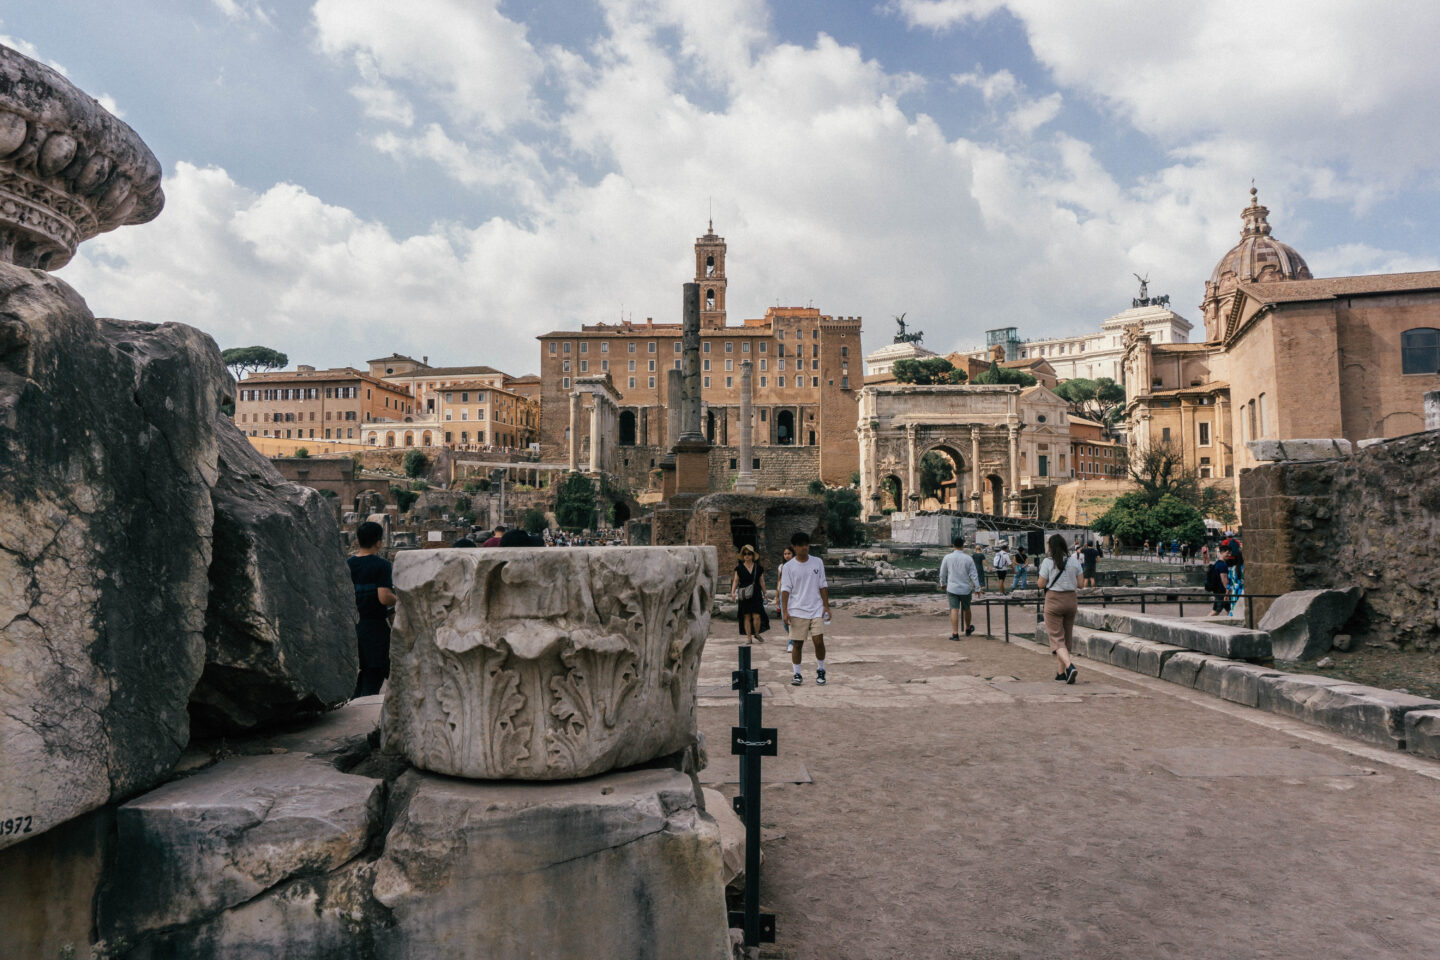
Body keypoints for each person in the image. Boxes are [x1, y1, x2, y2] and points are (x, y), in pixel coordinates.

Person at [349, 521, 396, 697]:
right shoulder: (381, 565)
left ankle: (354, 705)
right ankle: (362, 709)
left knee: (365, 670)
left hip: (354, 624)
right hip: (374, 625)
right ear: (378, 542)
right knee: (375, 670)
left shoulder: (348, 563)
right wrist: (399, 599)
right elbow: (383, 597)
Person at [780, 531, 831, 686]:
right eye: (801, 545)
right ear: (794, 547)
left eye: (807, 545)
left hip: (816, 607)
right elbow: (785, 590)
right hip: (797, 609)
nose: (805, 548)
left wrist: (826, 606)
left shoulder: (817, 562)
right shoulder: (788, 567)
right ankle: (797, 673)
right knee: (797, 644)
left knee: (818, 640)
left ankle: (821, 669)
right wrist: (785, 611)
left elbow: (822, 585)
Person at [1038, 533, 1083, 684]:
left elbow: (1041, 584)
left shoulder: (1047, 562)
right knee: (1066, 636)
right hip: (1071, 600)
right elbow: (1081, 584)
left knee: (1056, 638)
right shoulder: (1074, 561)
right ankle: (1060, 673)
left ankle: (1070, 667)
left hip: (1054, 600)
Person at [939, 534, 982, 639]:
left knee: (954, 609)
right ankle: (968, 628)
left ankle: (955, 633)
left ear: (953, 545)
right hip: (965, 588)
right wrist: (977, 588)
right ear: (963, 546)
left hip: (952, 587)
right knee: (967, 609)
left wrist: (943, 584)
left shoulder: (947, 557)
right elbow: (974, 574)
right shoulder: (968, 558)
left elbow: (942, 573)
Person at [731, 545, 770, 643]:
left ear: (752, 555)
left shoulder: (758, 568)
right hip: (744, 594)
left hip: (756, 593)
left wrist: (765, 593)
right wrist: (732, 592)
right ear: (743, 556)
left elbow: (762, 582)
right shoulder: (739, 568)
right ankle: (749, 638)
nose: (747, 556)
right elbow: (735, 581)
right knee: (746, 616)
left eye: (749, 554)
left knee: (757, 615)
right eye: (745, 554)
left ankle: (756, 634)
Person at [777, 546, 795, 652]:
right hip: (782, 595)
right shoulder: (781, 567)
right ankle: (794, 637)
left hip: (793, 595)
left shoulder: (796, 566)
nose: (787, 556)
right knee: (784, 621)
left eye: (789, 553)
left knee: (791, 619)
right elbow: (779, 581)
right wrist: (776, 595)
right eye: (785, 554)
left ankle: (791, 642)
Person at [1206, 548, 1231, 616]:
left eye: (1230, 553)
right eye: (1227, 553)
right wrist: (1227, 591)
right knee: (1216, 611)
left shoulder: (1217, 563)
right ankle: (1202, 623)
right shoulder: (1223, 565)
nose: (1229, 555)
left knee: (1230, 610)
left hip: (1218, 590)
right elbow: (1224, 580)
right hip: (1222, 592)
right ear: (1222, 552)